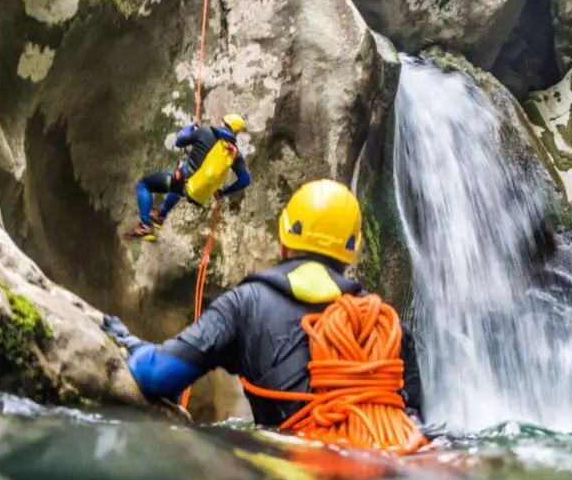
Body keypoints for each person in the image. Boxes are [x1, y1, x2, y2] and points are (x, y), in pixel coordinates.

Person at [104, 178, 425, 427]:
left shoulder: (246, 305)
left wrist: (133, 345)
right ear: (351, 250)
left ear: (284, 236)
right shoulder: (388, 325)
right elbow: (415, 422)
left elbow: (158, 375)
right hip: (384, 477)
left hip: (293, 477)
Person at [123, 113, 252, 240]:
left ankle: (145, 225)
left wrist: (190, 128)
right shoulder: (234, 153)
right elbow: (245, 180)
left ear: (224, 123)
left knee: (144, 185)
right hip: (198, 194)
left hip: (183, 181)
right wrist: (223, 192)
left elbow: (179, 141)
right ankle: (160, 216)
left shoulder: (205, 132)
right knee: (178, 188)